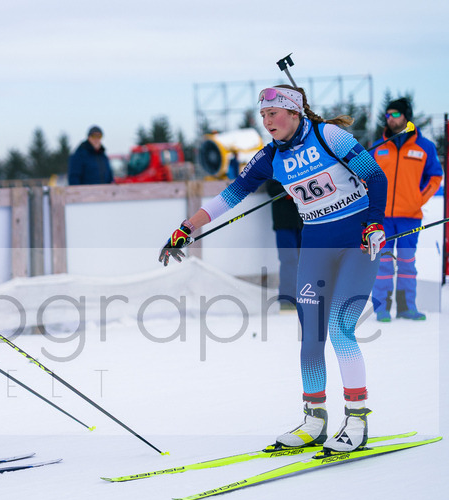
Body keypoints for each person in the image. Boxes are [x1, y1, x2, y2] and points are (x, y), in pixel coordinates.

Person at [159, 85, 388, 454]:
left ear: (294, 113)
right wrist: (187, 227)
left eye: (273, 114)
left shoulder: (329, 136)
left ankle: (357, 418)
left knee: (340, 328)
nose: (267, 121)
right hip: (315, 244)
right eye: (263, 116)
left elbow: (375, 176)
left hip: (357, 241)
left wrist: (375, 222)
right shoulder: (269, 157)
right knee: (311, 335)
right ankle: (314, 420)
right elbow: (231, 195)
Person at [369, 97, 443, 322]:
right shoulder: (378, 147)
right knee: (382, 264)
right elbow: (365, 177)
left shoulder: (425, 147)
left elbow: (435, 176)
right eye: (387, 115)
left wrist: (418, 199)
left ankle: (406, 307)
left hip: (410, 217)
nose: (390, 119)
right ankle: (382, 308)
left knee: (407, 263)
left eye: (395, 114)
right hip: (382, 218)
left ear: (406, 116)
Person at [266, 178, 304, 311]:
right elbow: (272, 190)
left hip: (303, 221)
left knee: (306, 260)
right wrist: (291, 190)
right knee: (289, 260)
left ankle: (304, 297)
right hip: (284, 222)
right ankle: (287, 299)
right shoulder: (274, 168)